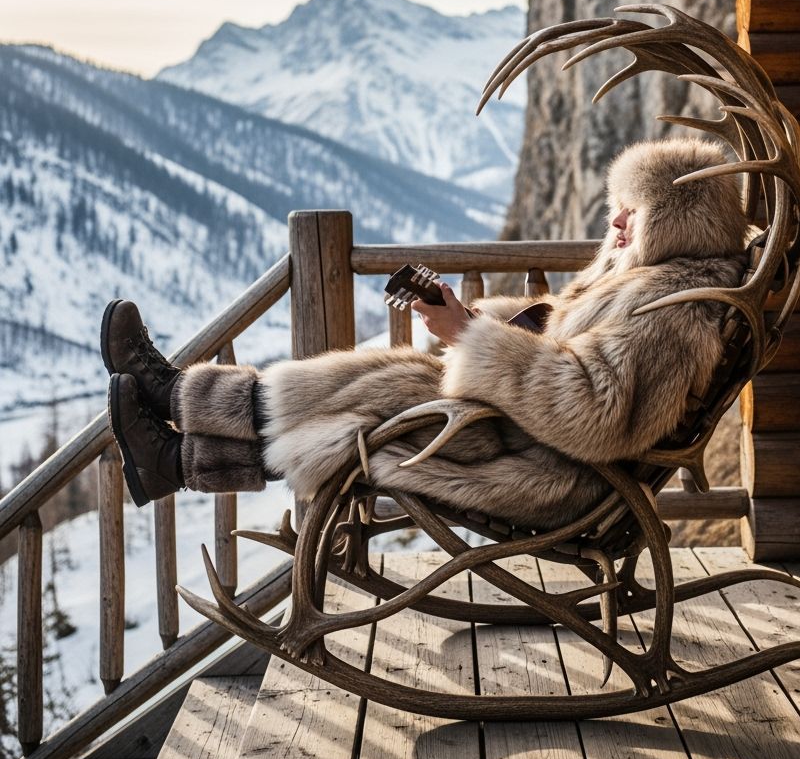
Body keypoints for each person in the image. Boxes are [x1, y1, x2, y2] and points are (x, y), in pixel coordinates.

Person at [104, 137, 749, 530]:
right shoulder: (654, 282)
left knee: (381, 399)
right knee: (385, 381)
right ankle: (176, 431)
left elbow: (595, 410)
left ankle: (178, 429)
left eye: (632, 212)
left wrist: (471, 337)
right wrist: (476, 323)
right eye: (619, 208)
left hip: (551, 474)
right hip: (524, 439)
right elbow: (572, 344)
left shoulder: (674, 310)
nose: (615, 222)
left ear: (675, 221)